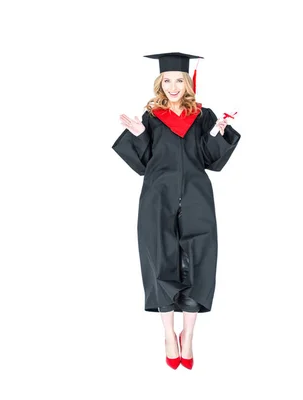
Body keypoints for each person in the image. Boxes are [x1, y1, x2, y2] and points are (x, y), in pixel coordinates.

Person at [112, 52, 241, 370]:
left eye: (178, 80)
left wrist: (219, 132)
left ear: (188, 83)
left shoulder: (202, 116)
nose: (172, 86)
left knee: (200, 261)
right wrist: (140, 136)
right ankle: (169, 334)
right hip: (158, 198)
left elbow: (212, 159)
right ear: (160, 82)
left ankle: (189, 335)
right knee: (161, 261)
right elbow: (142, 165)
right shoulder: (152, 117)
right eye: (167, 80)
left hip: (197, 198)